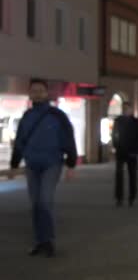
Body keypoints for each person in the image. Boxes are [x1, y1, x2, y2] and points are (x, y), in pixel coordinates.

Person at [9, 78, 77, 258]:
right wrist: (14, 164)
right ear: (30, 93)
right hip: (32, 165)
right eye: (34, 90)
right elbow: (20, 142)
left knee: (45, 201)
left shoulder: (57, 115)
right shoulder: (27, 116)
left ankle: (48, 241)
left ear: (47, 93)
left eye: (40, 90)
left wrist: (71, 164)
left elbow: (68, 139)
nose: (37, 93)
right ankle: (39, 241)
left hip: (52, 164)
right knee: (35, 205)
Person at [112, 102, 138, 207]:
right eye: (124, 108)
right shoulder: (118, 120)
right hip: (121, 151)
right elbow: (114, 135)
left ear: (131, 110)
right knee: (119, 175)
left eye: (127, 108)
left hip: (132, 152)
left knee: (132, 175)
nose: (126, 110)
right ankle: (119, 198)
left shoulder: (136, 122)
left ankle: (132, 197)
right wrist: (115, 146)